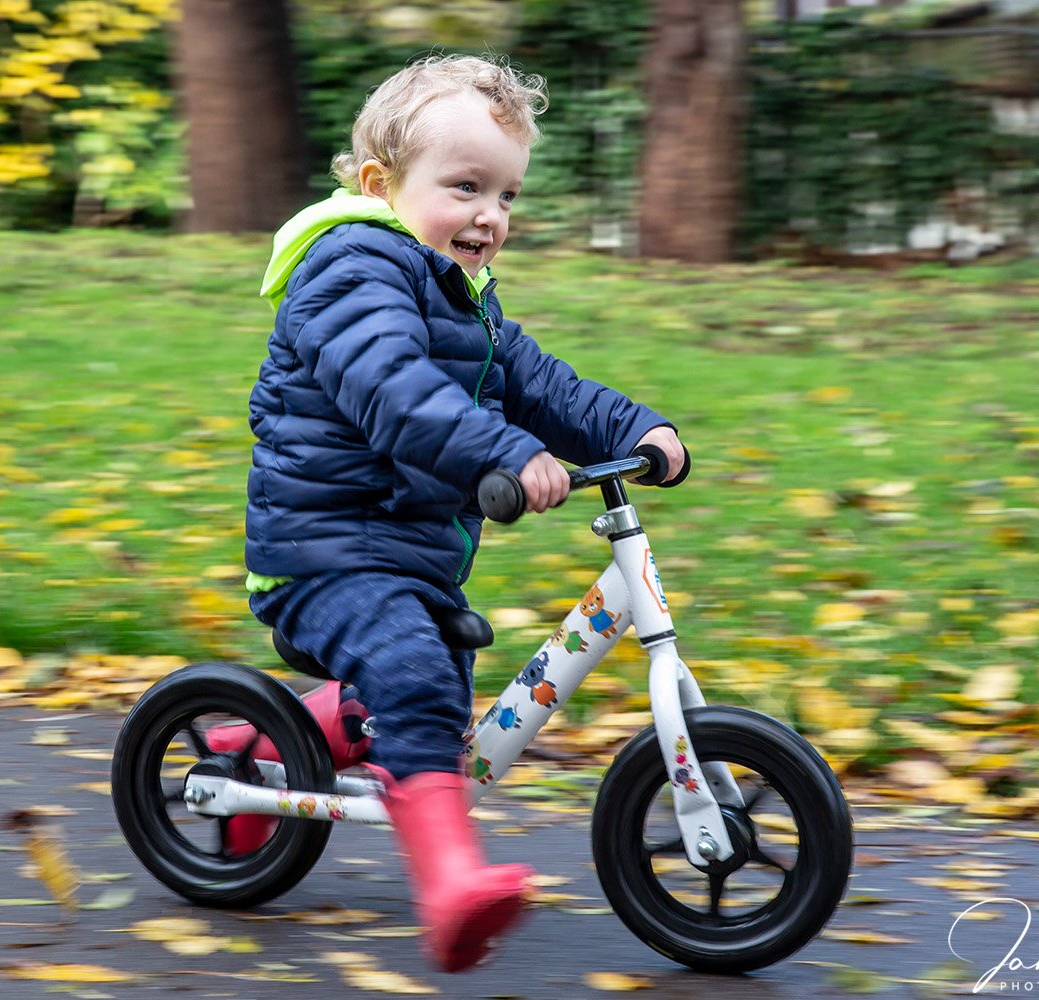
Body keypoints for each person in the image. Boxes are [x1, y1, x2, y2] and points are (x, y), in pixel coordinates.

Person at [241, 54, 685, 972]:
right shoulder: (349, 274)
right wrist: (505, 453)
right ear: (380, 185)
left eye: (508, 195)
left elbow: (542, 386)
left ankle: (253, 752)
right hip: (324, 550)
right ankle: (448, 884)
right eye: (466, 187)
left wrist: (639, 428)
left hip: (405, 554)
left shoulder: (466, 302)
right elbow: (394, 392)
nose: (492, 215)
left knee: (417, 688)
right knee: (414, 676)